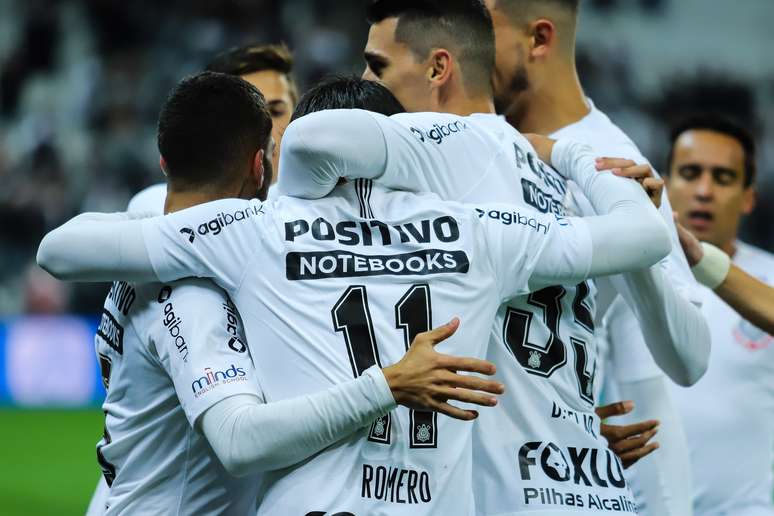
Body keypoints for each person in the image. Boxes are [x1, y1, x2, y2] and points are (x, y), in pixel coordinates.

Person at [37, 71, 672, 515]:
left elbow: (60, 250)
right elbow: (643, 238)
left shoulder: (251, 233)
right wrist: (574, 155)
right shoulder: (481, 234)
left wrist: (180, 228)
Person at [278, 1, 703, 512]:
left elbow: (312, 143)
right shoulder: (590, 165)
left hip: (503, 492)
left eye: (379, 65)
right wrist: (626, 209)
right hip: (587, 482)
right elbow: (689, 353)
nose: (367, 81)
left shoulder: (450, 152)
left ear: (439, 67)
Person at [482, 0, 712, 512]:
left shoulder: (610, 162)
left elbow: (683, 363)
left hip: (548, 488)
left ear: (539, 39)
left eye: (483, 32)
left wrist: (642, 243)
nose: (465, 48)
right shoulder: (475, 142)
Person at [665, 115, 774, 516]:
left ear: (748, 198)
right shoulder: (625, 277)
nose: (704, 191)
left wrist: (704, 263)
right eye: (690, 174)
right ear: (664, 182)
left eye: (724, 178)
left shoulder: (770, 279)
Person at [208, 43, 298, 180]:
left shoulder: (335, 199)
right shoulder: (169, 199)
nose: (265, 128)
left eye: (276, 111)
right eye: (245, 113)